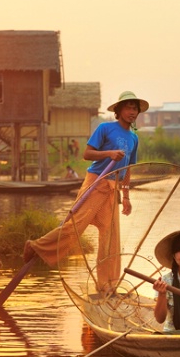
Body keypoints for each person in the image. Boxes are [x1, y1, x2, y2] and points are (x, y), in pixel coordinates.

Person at [23, 91, 148, 292]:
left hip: (112, 188)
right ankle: (36, 246)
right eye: (128, 107)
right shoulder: (105, 128)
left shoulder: (133, 138)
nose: (132, 112)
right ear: (119, 110)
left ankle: (106, 285)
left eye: (135, 109)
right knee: (76, 225)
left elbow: (127, 170)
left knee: (110, 239)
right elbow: (87, 154)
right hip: (96, 183)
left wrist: (126, 196)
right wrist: (109, 153)